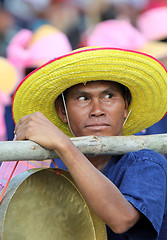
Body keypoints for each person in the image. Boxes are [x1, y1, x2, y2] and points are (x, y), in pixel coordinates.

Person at [13, 47, 167, 239]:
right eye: (83, 98)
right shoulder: (53, 167)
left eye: (109, 97)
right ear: (63, 111)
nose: (97, 110)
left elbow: (122, 219)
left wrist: (63, 145)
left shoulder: (146, 162)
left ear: (125, 107)